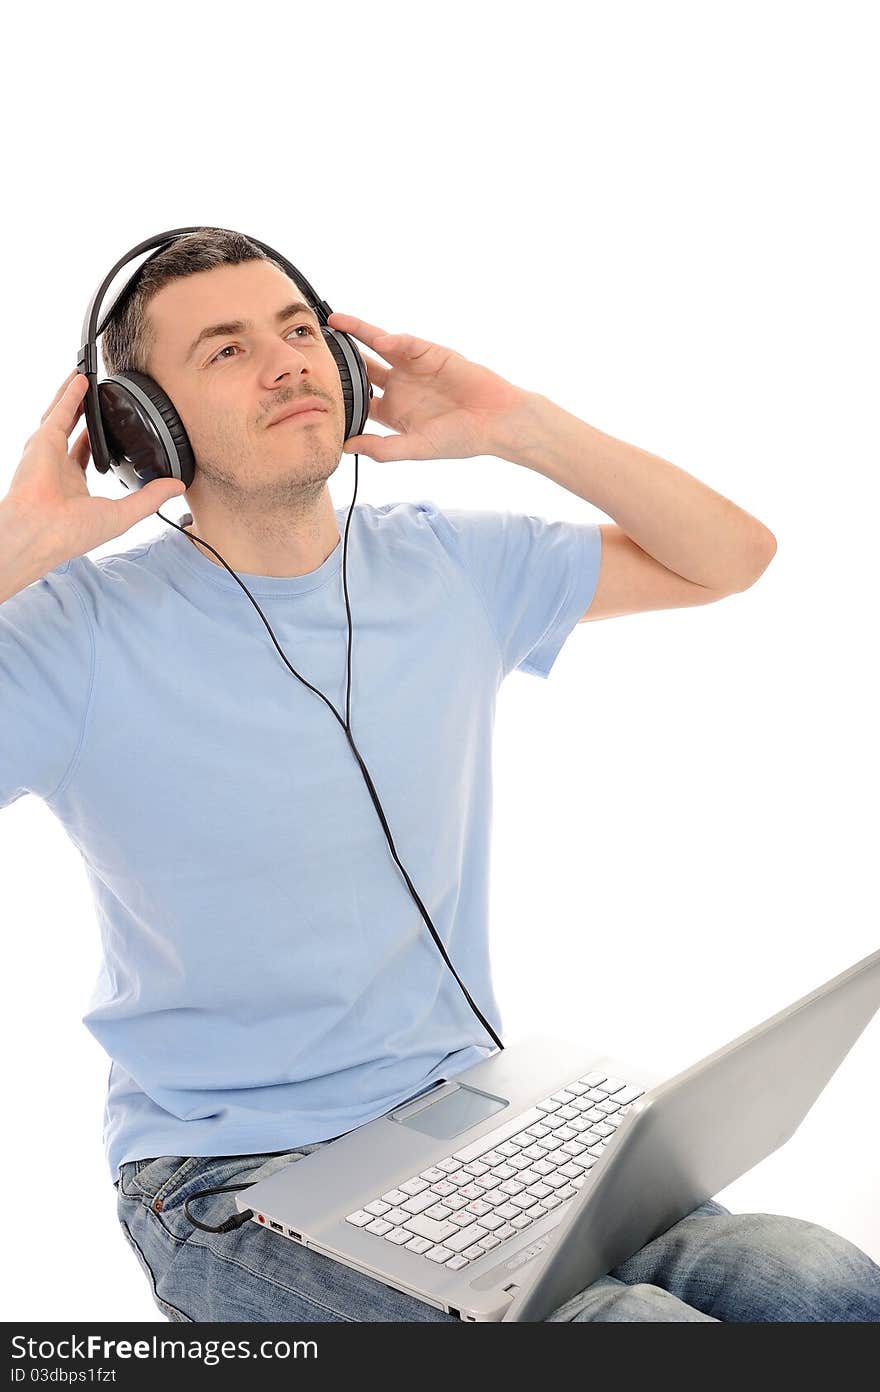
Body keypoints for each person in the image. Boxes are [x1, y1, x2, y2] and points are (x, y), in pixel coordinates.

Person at [1, 229, 877, 1322]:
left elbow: (729, 556)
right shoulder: (66, 637)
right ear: (141, 423)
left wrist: (516, 426)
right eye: (225, 351)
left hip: (471, 1116)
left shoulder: (449, 564)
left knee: (823, 1285)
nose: (287, 362)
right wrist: (16, 546)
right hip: (228, 1183)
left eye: (299, 330)